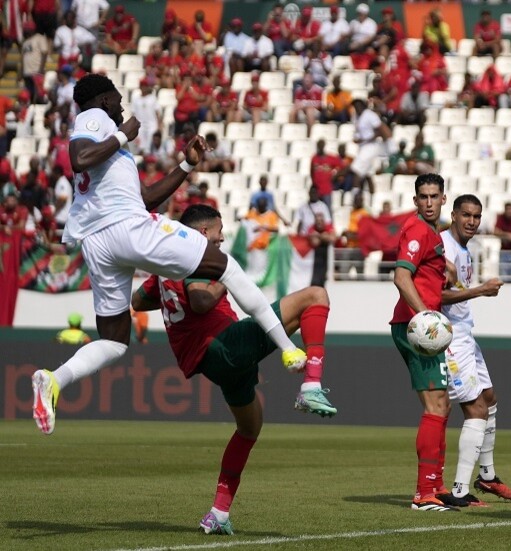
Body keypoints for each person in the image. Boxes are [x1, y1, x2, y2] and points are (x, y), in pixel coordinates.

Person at [30, 75, 307, 436]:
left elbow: (145, 198)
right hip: (126, 228)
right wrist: (122, 134)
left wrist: (186, 166)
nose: (122, 107)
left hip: (99, 242)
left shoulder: (113, 155)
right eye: (117, 99)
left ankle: (54, 380)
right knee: (225, 267)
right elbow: (80, 158)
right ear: (103, 99)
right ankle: (288, 349)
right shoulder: (93, 118)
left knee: (114, 341)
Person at [130, 205, 335, 536]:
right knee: (316, 295)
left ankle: (218, 513)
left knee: (250, 427)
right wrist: (226, 278)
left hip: (212, 361)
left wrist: (175, 294)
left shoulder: (166, 267)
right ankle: (311, 384)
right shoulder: (196, 253)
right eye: (219, 231)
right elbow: (200, 301)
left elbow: (138, 301)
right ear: (202, 233)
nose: (223, 238)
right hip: (223, 344)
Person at [389, 174, 469, 512]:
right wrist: (426, 318)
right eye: (423, 196)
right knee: (436, 407)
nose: (429, 202)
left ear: (443, 199)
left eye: (434, 196)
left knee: (443, 406)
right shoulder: (418, 230)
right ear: (415, 200)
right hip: (417, 329)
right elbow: (401, 276)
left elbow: (424, 266)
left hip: (423, 329)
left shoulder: (430, 233)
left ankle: (436, 486)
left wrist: (443, 266)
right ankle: (424, 493)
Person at [440, 194, 511, 506]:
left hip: (465, 333)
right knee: (474, 409)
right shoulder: (444, 247)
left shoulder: (464, 249)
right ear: (454, 215)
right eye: (466, 215)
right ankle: (460, 490)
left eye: (476, 216)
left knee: (489, 398)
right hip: (449, 337)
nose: (471, 221)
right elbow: (435, 295)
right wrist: (480, 291)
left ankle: (487, 475)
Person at [351, 99, 390, 195]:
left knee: (356, 170)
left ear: (363, 106)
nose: (357, 108)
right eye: (355, 106)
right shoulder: (355, 117)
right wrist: (358, 139)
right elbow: (357, 133)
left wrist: (368, 139)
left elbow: (380, 130)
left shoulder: (370, 115)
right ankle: (373, 196)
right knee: (368, 175)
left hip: (370, 147)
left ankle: (355, 195)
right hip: (362, 147)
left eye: (358, 106)